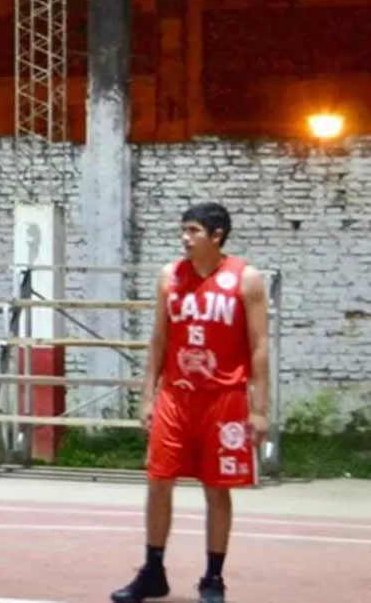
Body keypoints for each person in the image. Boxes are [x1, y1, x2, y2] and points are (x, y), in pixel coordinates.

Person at [110, 203, 270, 603]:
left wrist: (260, 407)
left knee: (217, 489)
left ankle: (213, 578)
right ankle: (153, 570)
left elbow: (260, 345)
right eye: (183, 230)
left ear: (216, 236)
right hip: (176, 396)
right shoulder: (170, 277)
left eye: (193, 231)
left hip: (224, 399)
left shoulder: (245, 279)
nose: (185, 238)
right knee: (158, 480)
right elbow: (159, 340)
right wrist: (148, 394)